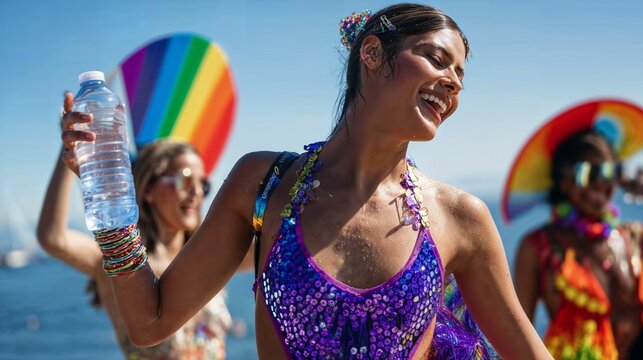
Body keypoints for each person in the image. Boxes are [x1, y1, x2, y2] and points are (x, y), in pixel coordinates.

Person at [59, 3, 551, 359]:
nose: (453, 83)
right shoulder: (264, 184)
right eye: (437, 59)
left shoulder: (460, 217)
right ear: (373, 54)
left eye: (462, 75)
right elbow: (150, 322)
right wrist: (112, 197)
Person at [38, 102, 245, 359]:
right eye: (184, 179)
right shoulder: (121, 261)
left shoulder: (214, 255)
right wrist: (70, 150)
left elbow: (278, 245)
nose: (197, 192)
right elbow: (53, 237)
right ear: (148, 190)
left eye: (203, 183)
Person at [512, 110, 643, 359]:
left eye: (609, 173)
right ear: (563, 182)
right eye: (587, 173)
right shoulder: (538, 247)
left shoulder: (634, 238)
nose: (600, 184)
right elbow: (517, 335)